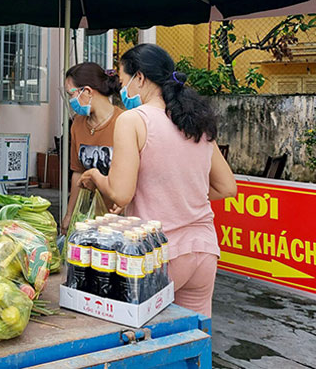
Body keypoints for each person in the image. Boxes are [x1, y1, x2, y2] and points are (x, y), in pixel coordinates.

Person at [79, 44, 236, 316]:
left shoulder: (133, 120)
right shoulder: (194, 121)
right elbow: (226, 187)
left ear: (139, 77)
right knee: (194, 340)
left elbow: (120, 194)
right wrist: (178, 193)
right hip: (204, 251)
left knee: (145, 344)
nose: (122, 90)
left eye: (123, 80)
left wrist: (95, 176)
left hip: (158, 254)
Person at [60, 62, 123, 236]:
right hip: (88, 217)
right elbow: (78, 173)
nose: (71, 101)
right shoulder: (78, 124)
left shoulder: (125, 122)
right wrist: (69, 215)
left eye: (71, 94)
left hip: (121, 218)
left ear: (87, 91)